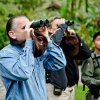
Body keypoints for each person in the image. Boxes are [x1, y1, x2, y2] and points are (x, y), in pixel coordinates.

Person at [0, 15, 66, 100]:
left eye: (30, 26)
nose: (30, 30)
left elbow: (59, 63)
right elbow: (24, 73)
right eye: (25, 28)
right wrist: (29, 41)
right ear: (12, 34)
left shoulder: (35, 51)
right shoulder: (5, 55)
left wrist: (47, 38)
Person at [46, 16, 91, 100]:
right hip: (56, 88)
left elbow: (87, 54)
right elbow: (55, 43)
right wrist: (62, 27)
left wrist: (75, 37)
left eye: (63, 26)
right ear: (49, 29)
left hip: (70, 87)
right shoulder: (48, 43)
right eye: (58, 25)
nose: (63, 28)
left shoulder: (67, 43)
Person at [81, 31, 100, 100]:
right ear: (93, 44)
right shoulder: (90, 58)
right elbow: (85, 78)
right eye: (98, 39)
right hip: (96, 95)